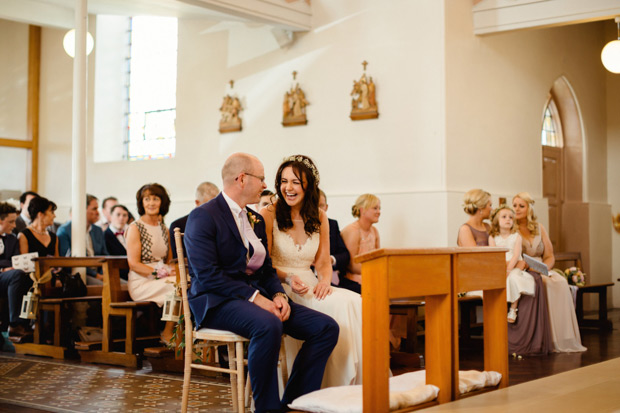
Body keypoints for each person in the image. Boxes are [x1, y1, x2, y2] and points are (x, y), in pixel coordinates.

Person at [184, 153, 338, 413]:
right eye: (262, 178)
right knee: (268, 324)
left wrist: (278, 294)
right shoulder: (203, 216)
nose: (266, 185)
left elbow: (264, 268)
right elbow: (208, 276)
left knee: (325, 328)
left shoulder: (253, 219)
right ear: (242, 179)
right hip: (216, 301)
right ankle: (266, 409)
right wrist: (257, 299)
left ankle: (293, 404)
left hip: (253, 297)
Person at [261, 154, 362, 388]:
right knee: (342, 306)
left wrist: (325, 282)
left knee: (355, 301)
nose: (288, 188)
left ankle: (346, 385)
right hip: (281, 285)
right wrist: (289, 278)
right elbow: (263, 265)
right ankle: (329, 385)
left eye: (296, 182)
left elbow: (324, 263)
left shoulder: (319, 216)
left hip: (311, 283)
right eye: (284, 182)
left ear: (308, 186)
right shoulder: (269, 214)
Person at [513, 192, 585, 353]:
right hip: (524, 269)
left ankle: (562, 336)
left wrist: (546, 268)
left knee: (560, 282)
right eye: (515, 205)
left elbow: (550, 255)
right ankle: (547, 335)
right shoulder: (512, 229)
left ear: (529, 209)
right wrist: (533, 268)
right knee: (546, 285)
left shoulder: (539, 228)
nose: (517, 209)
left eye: (521, 206)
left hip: (542, 268)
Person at [125, 183, 177, 343]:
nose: (151, 203)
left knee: (187, 283)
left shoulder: (164, 228)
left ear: (163, 202)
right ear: (141, 203)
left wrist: (173, 269)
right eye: (147, 199)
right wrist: (158, 273)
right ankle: (167, 333)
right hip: (142, 281)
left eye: (155, 198)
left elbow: (169, 261)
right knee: (177, 287)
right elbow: (133, 264)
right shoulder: (135, 228)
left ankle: (183, 333)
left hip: (162, 277)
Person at [488, 205, 535, 323]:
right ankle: (498, 309)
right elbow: (493, 256)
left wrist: (509, 269)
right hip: (499, 266)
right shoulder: (493, 237)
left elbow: (516, 255)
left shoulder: (516, 236)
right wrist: (502, 268)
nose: (508, 219)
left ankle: (513, 309)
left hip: (514, 266)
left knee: (513, 278)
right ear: (496, 221)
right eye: (504, 217)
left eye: (510, 217)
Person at [56, 194, 108, 285]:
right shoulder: (65, 230)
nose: (98, 213)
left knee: (124, 285)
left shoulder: (97, 230)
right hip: (77, 275)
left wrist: (103, 273)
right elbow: (67, 261)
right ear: (82, 209)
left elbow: (105, 255)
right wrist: (96, 275)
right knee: (108, 289)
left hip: (100, 274)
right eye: (94, 209)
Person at [0, 202, 34, 342]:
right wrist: (3, 268)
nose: (14, 225)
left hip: (8, 277)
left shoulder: (12, 239)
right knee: (17, 274)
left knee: (29, 278)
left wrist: (7, 267)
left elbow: (15, 261)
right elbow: (10, 263)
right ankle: (15, 324)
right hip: (5, 274)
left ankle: (28, 322)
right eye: (11, 222)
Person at [340, 193, 382, 290]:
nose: (379, 212)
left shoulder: (374, 231)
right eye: (375, 208)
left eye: (380, 208)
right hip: (353, 280)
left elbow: (378, 258)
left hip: (370, 276)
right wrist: (374, 272)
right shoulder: (353, 230)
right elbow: (350, 265)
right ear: (362, 210)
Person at [169, 181, 219, 259]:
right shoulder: (178, 225)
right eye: (208, 205)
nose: (213, 209)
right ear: (197, 202)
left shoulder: (221, 223)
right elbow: (178, 259)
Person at [318, 190, 352, 292]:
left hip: (332, 275)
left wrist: (331, 259)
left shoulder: (332, 224)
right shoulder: (300, 225)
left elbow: (345, 255)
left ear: (326, 207)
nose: (318, 209)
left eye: (321, 206)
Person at [105, 204, 130, 281]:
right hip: (117, 275)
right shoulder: (104, 236)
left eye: (124, 215)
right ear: (110, 217)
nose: (121, 218)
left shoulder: (131, 233)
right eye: (118, 215)